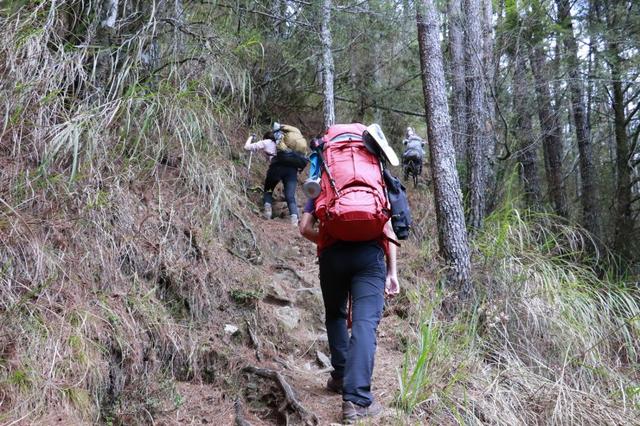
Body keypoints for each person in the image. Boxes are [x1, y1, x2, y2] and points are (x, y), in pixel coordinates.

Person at [298, 127, 400, 423]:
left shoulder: (325, 177)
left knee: (335, 315)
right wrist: (392, 272)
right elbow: (388, 227)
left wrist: (327, 239)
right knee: (366, 324)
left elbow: (304, 228)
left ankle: (341, 375)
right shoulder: (374, 176)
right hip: (370, 256)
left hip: (332, 255)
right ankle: (356, 401)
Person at [244, 130, 301, 226]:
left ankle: (267, 212)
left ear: (266, 137)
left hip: (276, 169)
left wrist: (250, 138)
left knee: (269, 190)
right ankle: (294, 221)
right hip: (291, 171)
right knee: (290, 196)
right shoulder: (287, 144)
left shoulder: (267, 142)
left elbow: (247, 147)